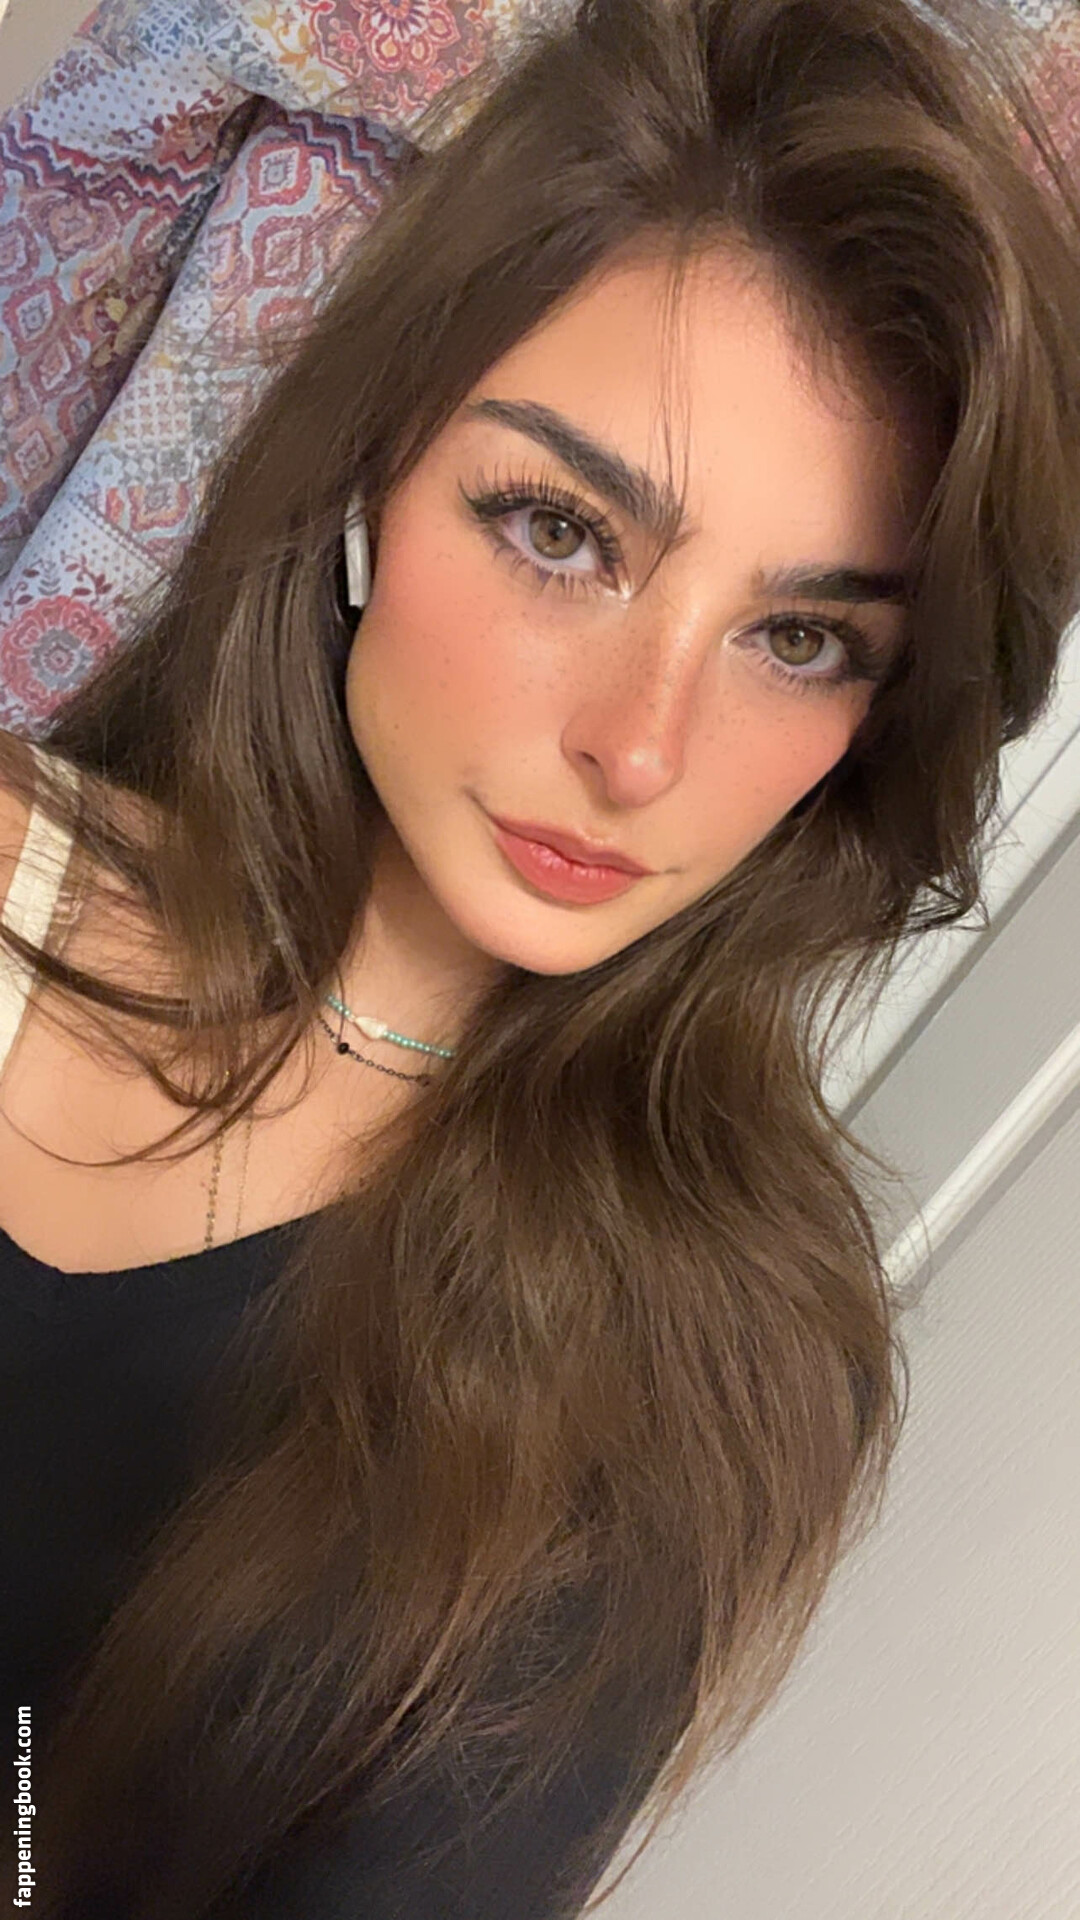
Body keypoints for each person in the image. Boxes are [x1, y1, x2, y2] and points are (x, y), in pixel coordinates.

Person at [2, 0, 1080, 1913]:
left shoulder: (706, 1354)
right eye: (560, 531)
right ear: (370, 471)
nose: (641, 748)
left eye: (803, 638)